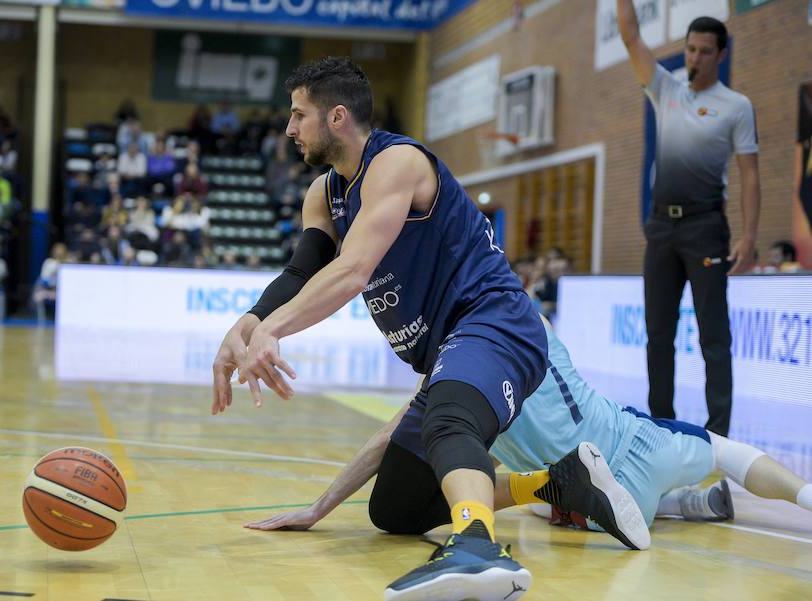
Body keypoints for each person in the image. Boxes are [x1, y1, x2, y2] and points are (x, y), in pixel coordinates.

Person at [211, 57, 641, 601]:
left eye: (299, 115)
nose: (289, 129)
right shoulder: (324, 193)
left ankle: (478, 546)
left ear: (337, 116)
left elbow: (352, 270)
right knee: (395, 508)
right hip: (451, 350)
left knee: (447, 418)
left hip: (497, 322)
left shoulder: (397, 163)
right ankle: (558, 482)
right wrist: (247, 325)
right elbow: (303, 271)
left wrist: (271, 331)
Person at [247, 316, 812, 540]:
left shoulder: (462, 364)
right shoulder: (526, 321)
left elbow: (384, 441)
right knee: (728, 451)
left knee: (493, 477)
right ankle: (786, 498)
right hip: (638, 446)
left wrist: (319, 507)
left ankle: (678, 504)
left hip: (574, 502)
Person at [617, 2, 761, 437]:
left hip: (705, 229)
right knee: (658, 336)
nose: (694, 58)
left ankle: (718, 438)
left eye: (704, 51)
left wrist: (750, 237)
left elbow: (750, 176)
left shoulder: (737, 106)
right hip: (661, 228)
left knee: (714, 340)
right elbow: (630, 36)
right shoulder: (666, 88)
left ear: (722, 54)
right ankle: (661, 427)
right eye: (690, 50)